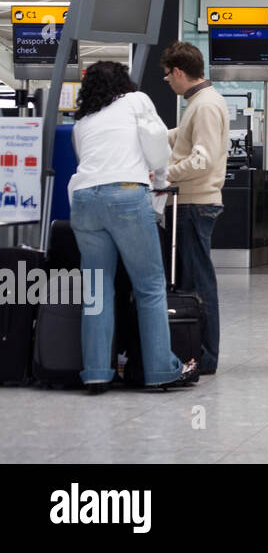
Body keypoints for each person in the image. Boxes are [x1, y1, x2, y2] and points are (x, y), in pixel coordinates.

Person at [68, 62, 198, 392]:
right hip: (126, 195)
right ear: (123, 83)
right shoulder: (135, 101)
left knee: (96, 291)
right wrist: (158, 176)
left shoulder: (82, 121)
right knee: (150, 286)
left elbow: (87, 161)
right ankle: (160, 370)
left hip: (84, 200)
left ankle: (96, 371)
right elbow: (156, 145)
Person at [161, 41, 228, 376]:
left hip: (195, 203)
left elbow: (201, 160)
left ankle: (204, 356)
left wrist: (162, 175)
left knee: (199, 284)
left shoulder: (203, 105)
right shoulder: (201, 103)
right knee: (194, 281)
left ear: (178, 71)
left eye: (167, 76)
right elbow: (184, 138)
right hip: (193, 204)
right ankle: (196, 352)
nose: (168, 83)